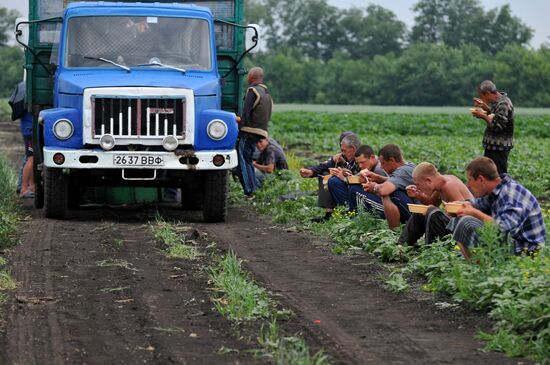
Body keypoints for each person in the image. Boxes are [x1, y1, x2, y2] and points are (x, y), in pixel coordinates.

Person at [450, 157, 545, 260]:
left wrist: (474, 213)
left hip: (526, 252)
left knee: (466, 222)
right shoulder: (498, 190)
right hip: (512, 242)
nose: (468, 185)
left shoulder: (510, 195)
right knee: (458, 219)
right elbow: (480, 203)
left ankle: (481, 269)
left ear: (481, 179)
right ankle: (474, 265)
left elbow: (502, 228)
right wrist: (464, 205)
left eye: (470, 180)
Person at [397, 162, 473, 246]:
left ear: (428, 180)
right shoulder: (439, 183)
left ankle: (430, 249)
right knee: (421, 212)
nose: (418, 187)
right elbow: (432, 202)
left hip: (464, 231)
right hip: (453, 225)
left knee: (432, 212)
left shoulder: (449, 186)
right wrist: (418, 195)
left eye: (418, 184)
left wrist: (442, 212)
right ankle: (402, 245)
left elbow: (465, 216)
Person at [299, 131, 358, 222]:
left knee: (333, 180)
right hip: (348, 185)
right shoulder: (342, 155)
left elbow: (360, 178)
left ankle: (349, 212)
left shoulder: (361, 156)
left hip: (356, 189)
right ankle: (329, 213)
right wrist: (311, 172)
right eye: (341, 148)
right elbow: (324, 165)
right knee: (325, 174)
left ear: (353, 147)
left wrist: (343, 172)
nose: (342, 152)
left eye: (344, 149)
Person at [356, 144, 416, 229]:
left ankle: (394, 231)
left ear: (392, 160)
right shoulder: (408, 166)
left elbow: (383, 190)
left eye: (383, 163)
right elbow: (396, 181)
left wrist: (374, 186)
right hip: (415, 209)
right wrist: (377, 178)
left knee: (389, 193)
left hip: (417, 215)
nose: (381, 166)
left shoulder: (403, 171)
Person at [236, 67, 273, 196]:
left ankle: (250, 190)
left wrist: (238, 128)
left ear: (251, 77)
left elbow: (245, 113)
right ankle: (254, 187)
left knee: (243, 159)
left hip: (248, 131)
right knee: (248, 159)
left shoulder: (252, 90)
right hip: (261, 132)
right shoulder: (266, 93)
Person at [471, 80, 514, 174]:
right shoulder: (498, 102)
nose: (481, 98)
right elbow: (496, 116)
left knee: (498, 175)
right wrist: (486, 109)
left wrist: (484, 116)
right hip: (494, 146)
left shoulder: (504, 103)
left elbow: (497, 126)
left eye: (481, 96)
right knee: (489, 174)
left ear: (488, 93)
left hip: (499, 147)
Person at [330, 144, 387, 208]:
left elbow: (385, 192)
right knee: (334, 181)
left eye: (362, 162)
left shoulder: (379, 169)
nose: (360, 166)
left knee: (354, 188)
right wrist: (347, 174)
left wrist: (344, 179)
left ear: (372, 157)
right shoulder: (369, 165)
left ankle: (351, 211)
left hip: (382, 203)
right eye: (358, 163)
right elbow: (356, 177)